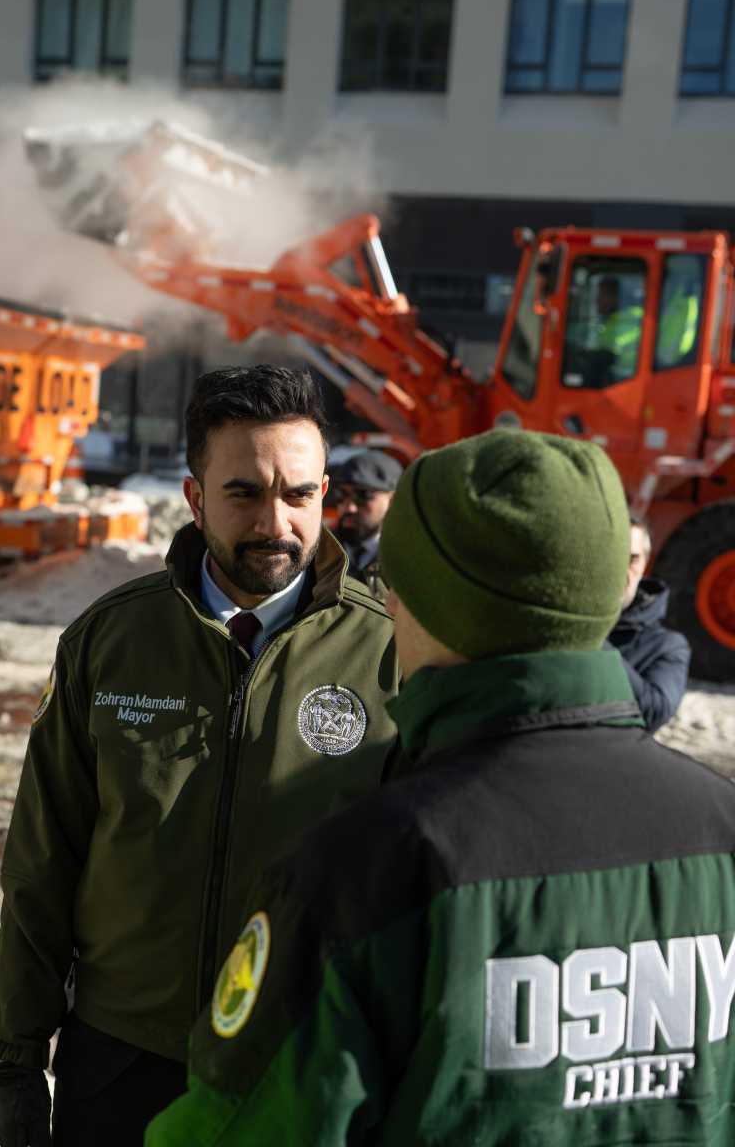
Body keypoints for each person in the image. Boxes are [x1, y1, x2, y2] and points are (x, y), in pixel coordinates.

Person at [148, 428, 735, 1147]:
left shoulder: (366, 871)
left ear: (430, 604)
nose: (388, 607)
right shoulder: (722, 827)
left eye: (396, 587)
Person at [0, 365, 399, 1147]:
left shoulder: (389, 654)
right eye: (244, 493)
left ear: (324, 495)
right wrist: (15, 1056)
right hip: (121, 1061)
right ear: (195, 498)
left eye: (299, 495)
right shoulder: (109, 642)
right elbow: (41, 861)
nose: (275, 522)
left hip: (304, 1068)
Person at [607, 516, 691, 732]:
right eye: (611, 556)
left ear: (645, 565)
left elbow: (655, 712)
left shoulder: (667, 646)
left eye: (632, 559)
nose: (620, 570)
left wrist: (591, 636)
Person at [330, 448, 402, 596]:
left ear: (393, 500)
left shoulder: (407, 557)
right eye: (341, 494)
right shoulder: (321, 549)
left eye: (363, 495)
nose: (350, 507)